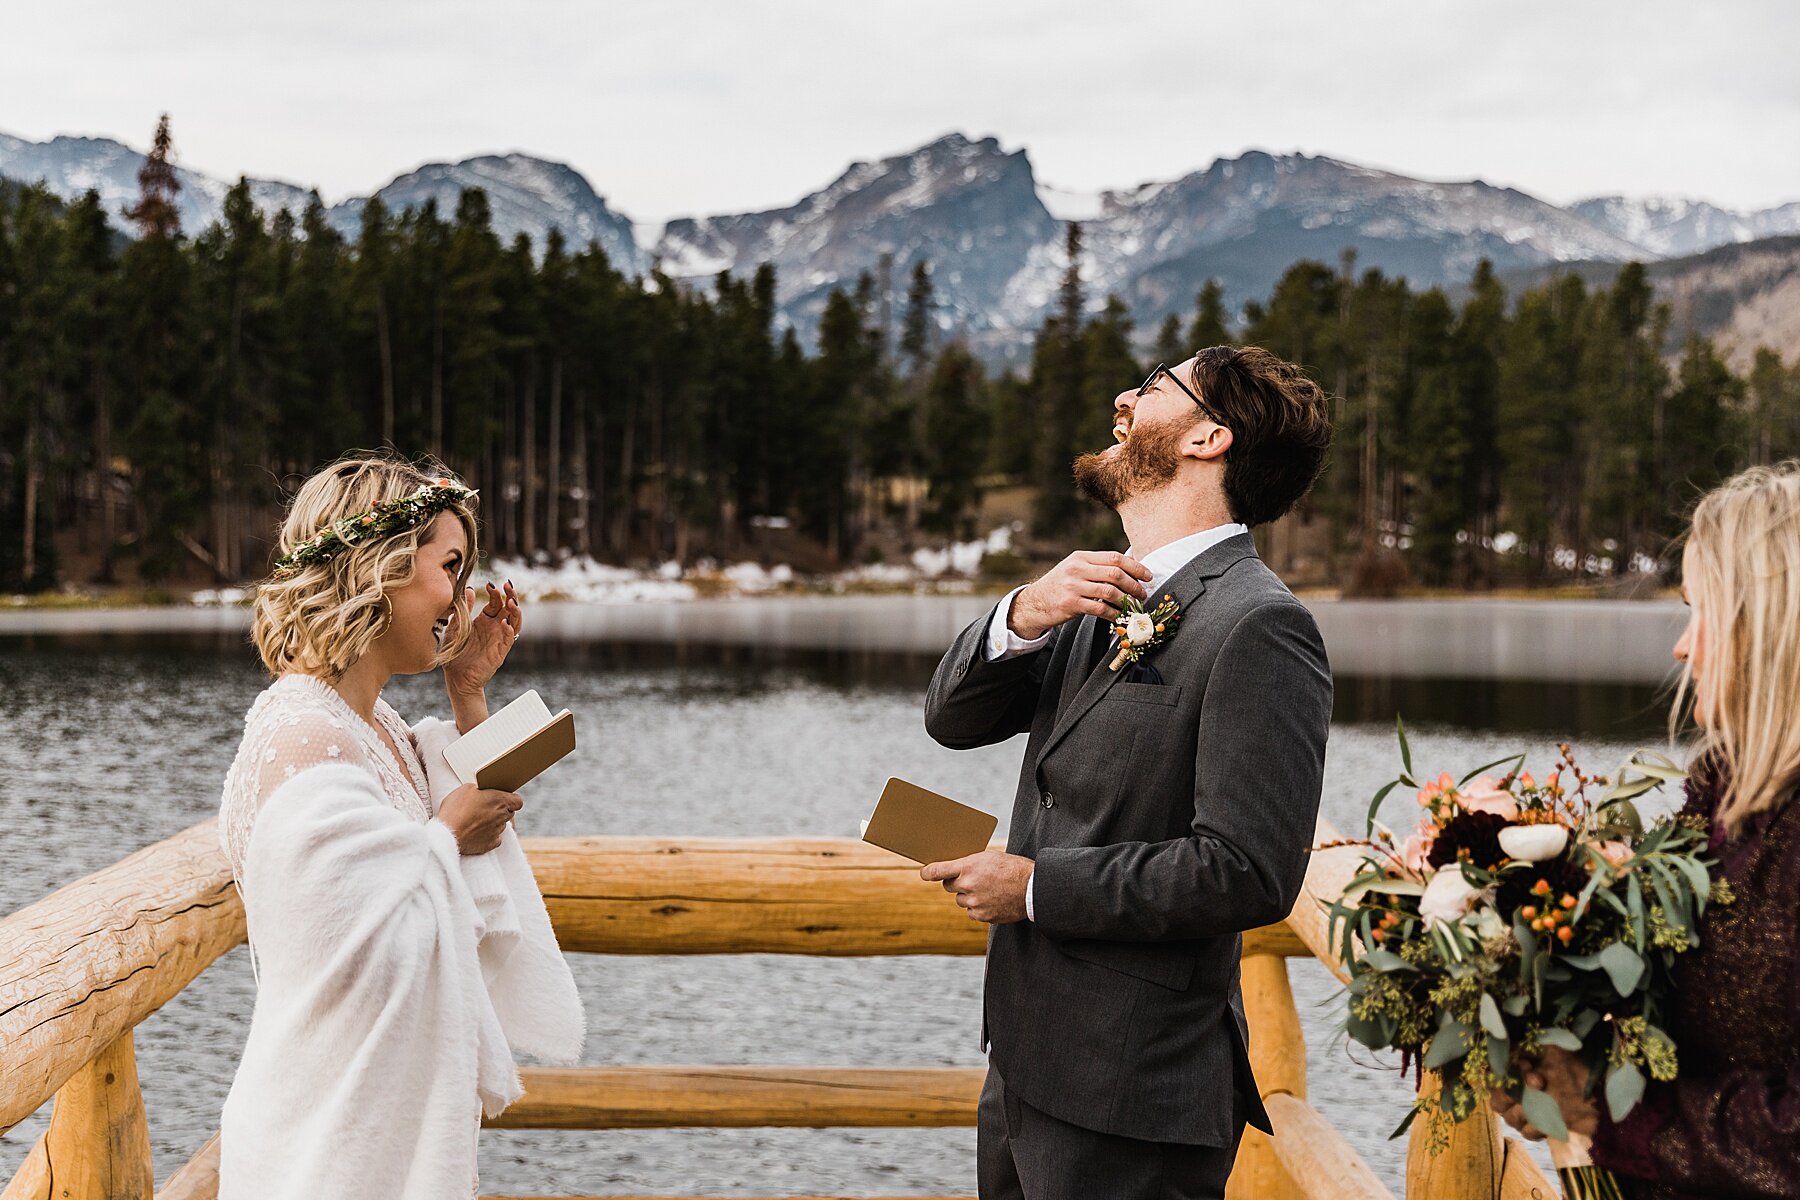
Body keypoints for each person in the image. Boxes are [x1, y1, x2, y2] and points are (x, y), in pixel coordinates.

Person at [921, 348, 1334, 1199]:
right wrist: (1024, 612)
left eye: (1152, 387)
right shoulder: (1095, 595)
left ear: (1209, 437)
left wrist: (1035, 887)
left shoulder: (1261, 626)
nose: (1123, 398)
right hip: (1025, 1065)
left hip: (1133, 1094)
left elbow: (1247, 871)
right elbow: (952, 721)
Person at [215, 454, 584, 1200]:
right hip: (329, 1139)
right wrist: (443, 837)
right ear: (376, 566)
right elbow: (347, 950)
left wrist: (468, 693)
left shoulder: (373, 722)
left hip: (384, 1116)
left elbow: (455, 868)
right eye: (448, 565)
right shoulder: (302, 737)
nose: (459, 595)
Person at [1492, 462, 1800, 1198]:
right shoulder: (1730, 800)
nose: (1683, 648)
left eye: (1703, 612)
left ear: (1773, 627)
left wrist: (1610, 1116)